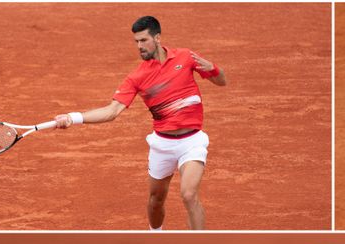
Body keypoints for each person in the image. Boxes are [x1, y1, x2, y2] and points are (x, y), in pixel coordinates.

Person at [53, 16, 227, 230]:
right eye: (136, 41)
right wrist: (73, 117)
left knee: (189, 194)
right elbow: (111, 111)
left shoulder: (185, 57)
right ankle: (155, 233)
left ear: (157, 38)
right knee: (156, 200)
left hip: (192, 141)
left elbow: (221, 81)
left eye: (144, 40)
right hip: (162, 145)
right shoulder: (137, 77)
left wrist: (214, 68)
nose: (139, 46)